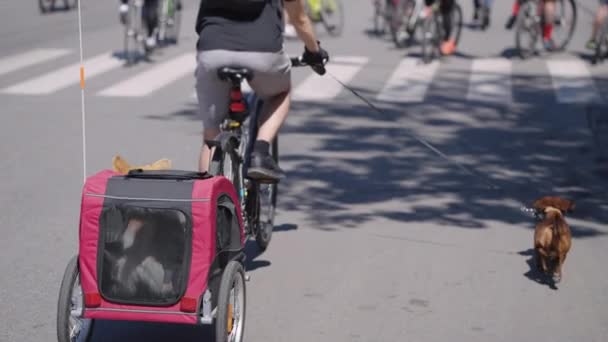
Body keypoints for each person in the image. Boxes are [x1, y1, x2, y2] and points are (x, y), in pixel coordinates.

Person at [195, 0, 329, 182]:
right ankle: (260, 151)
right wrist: (314, 52)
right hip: (262, 52)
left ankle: (205, 203)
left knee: (211, 138)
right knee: (280, 93)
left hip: (212, 51)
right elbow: (299, 18)